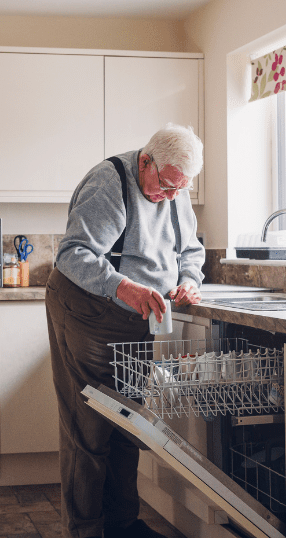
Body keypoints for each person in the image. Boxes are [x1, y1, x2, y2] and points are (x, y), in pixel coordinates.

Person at [46, 123, 206, 538]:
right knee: (90, 426)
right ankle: (86, 530)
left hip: (135, 313)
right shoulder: (111, 181)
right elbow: (73, 253)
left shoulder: (175, 187)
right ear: (146, 160)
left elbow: (190, 250)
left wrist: (190, 279)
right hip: (87, 306)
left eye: (178, 190)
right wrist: (123, 285)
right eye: (164, 186)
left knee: (126, 423)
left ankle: (122, 525)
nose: (169, 197)